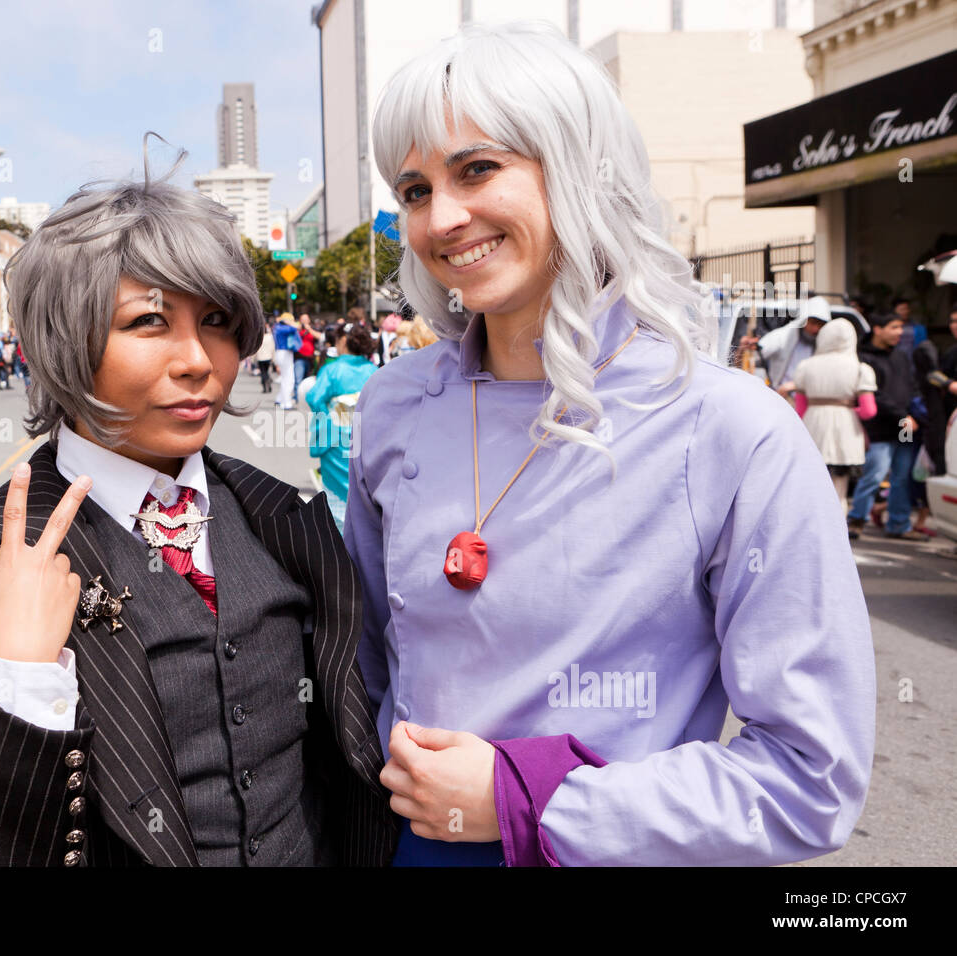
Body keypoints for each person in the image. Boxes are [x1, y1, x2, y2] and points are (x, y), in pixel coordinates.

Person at [347, 19, 873, 867]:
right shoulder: (393, 406)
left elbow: (811, 782)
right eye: (413, 190)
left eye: (478, 168)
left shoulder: (731, 430)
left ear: (581, 167)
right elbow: (370, 668)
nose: (443, 217)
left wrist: (527, 801)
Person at [0, 145, 398, 867]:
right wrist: (24, 684)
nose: (198, 359)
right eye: (149, 322)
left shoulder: (283, 518)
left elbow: (346, 765)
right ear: (64, 339)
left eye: (216, 320)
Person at [790, 319, 878, 537]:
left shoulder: (806, 366)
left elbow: (800, 410)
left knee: (811, 484)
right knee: (839, 490)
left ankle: (808, 531)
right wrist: (851, 411)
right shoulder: (860, 369)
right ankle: (835, 534)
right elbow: (869, 411)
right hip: (845, 430)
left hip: (812, 426)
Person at [847, 312, 926, 540]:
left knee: (902, 476)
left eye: (901, 327)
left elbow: (912, 388)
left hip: (904, 426)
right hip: (880, 426)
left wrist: (915, 414)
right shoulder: (864, 358)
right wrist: (903, 416)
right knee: (874, 474)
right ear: (878, 329)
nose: (900, 333)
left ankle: (899, 524)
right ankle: (856, 520)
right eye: (894, 327)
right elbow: (876, 396)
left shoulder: (901, 356)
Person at [307, 322, 379, 534]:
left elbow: (314, 398)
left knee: (336, 495)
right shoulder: (372, 369)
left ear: (344, 341)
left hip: (337, 438)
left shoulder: (333, 369)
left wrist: (328, 421)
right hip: (367, 437)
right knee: (364, 489)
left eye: (337, 340)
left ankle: (340, 541)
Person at [743, 295, 829, 396]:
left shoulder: (826, 343)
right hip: (782, 397)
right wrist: (751, 346)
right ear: (804, 320)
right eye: (813, 323)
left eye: (820, 325)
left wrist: (795, 385)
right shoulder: (784, 336)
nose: (816, 329)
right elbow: (758, 352)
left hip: (811, 398)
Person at [271, 312, 300, 408]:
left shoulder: (277, 327)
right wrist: (289, 322)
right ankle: (286, 403)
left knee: (285, 378)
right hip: (285, 353)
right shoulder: (283, 328)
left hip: (281, 352)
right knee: (289, 379)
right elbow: (297, 327)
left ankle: (279, 399)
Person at [253, 319, 275, 392]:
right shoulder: (270, 336)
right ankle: (268, 382)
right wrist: (273, 357)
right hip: (268, 357)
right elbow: (273, 347)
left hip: (260, 357)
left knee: (263, 372)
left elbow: (255, 348)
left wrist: (254, 358)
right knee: (266, 371)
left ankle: (265, 386)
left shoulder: (258, 337)